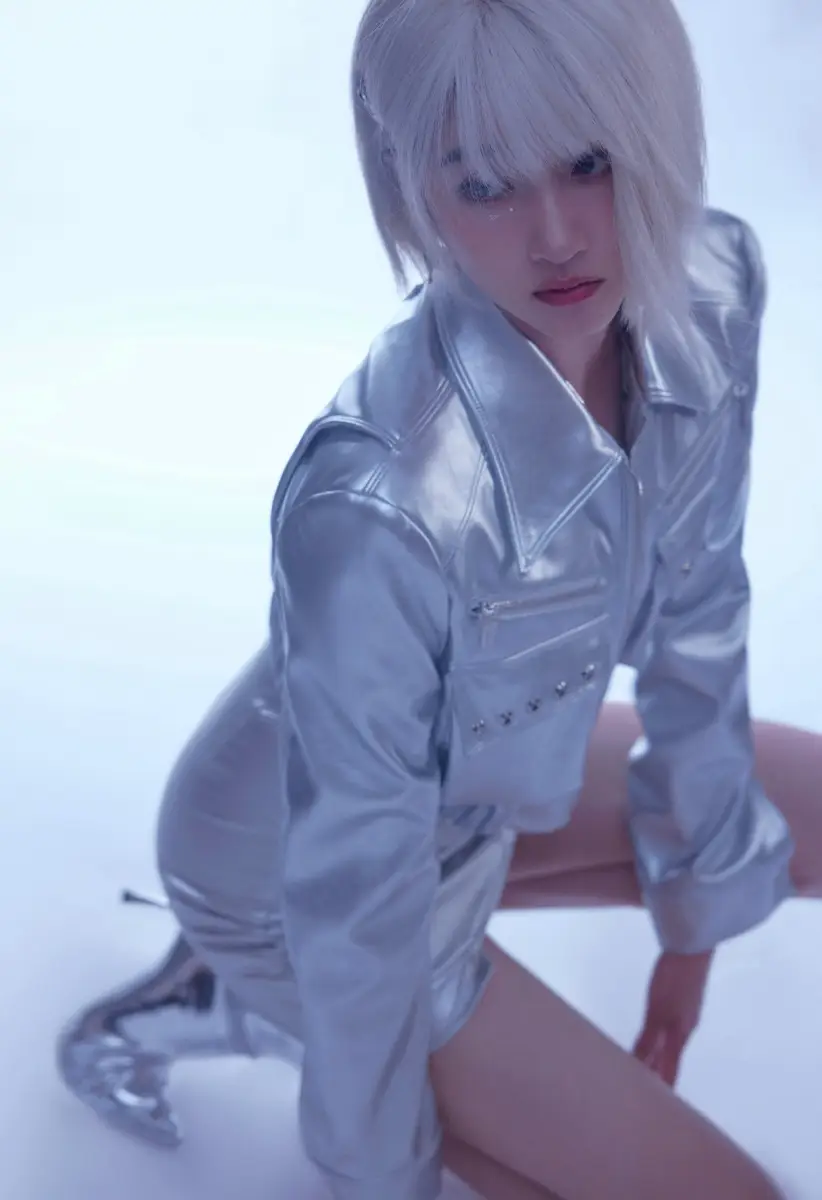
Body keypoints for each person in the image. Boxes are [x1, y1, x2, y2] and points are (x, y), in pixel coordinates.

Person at [54, 0, 821, 1197]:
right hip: (294, 873)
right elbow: (358, 901)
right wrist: (389, 1167)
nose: (558, 236)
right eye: (486, 185)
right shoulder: (373, 501)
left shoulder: (711, 289)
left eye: (590, 161)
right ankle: (239, 985)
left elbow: (701, 611)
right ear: (412, 186)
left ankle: (233, 996)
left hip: (484, 776)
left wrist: (696, 927)